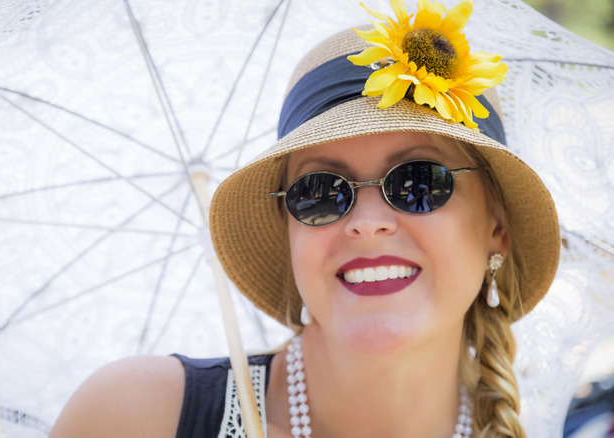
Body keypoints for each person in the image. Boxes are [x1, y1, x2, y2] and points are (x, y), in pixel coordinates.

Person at [50, 1, 560, 436]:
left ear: (498, 227)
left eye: (418, 182)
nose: (366, 222)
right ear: (289, 229)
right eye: (321, 192)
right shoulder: (138, 415)